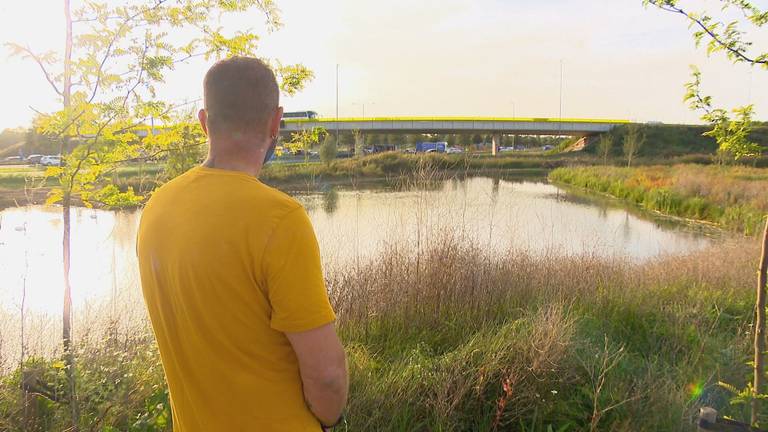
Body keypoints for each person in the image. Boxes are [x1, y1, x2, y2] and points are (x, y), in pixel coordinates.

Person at [137, 56, 348, 431]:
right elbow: (327, 376)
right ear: (275, 123)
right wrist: (328, 420)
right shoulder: (280, 220)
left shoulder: (156, 208)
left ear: (204, 122)